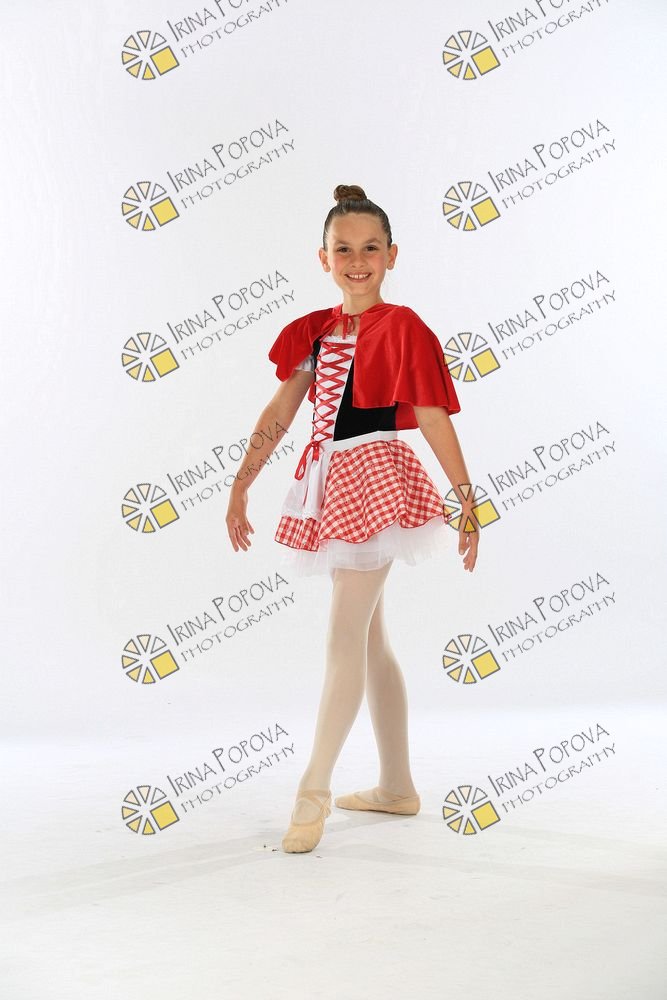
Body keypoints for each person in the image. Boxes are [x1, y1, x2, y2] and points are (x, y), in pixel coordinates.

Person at [225, 184, 480, 854]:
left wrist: (465, 498)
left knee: (343, 636)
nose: (357, 261)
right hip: (328, 481)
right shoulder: (314, 331)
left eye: (370, 248)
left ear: (391, 255)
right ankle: (396, 786)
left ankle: (312, 789)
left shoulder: (404, 326)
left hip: (375, 479)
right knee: (368, 640)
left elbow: (432, 415)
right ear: (324, 258)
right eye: (344, 249)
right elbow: (281, 412)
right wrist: (241, 483)